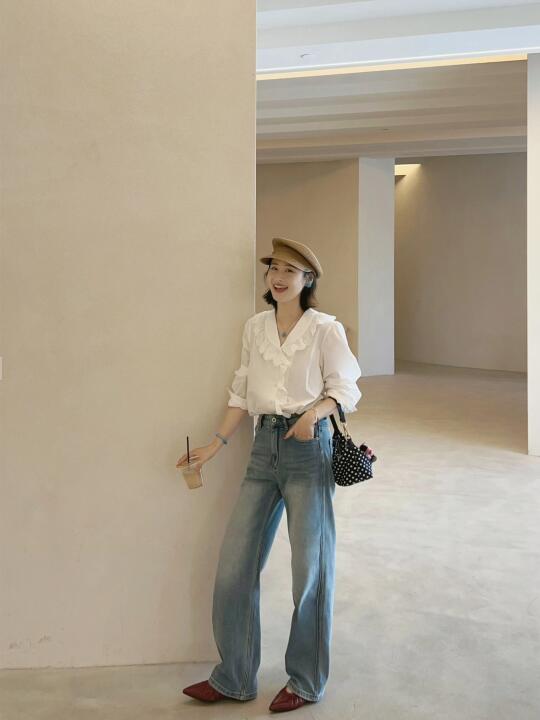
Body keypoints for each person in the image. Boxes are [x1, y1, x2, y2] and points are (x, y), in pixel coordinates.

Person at [177, 237, 365, 713]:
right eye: (274, 268)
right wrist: (214, 446)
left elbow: (346, 389)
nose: (278, 277)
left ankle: (305, 680)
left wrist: (313, 414)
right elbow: (242, 393)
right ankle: (235, 676)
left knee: (310, 573)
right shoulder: (255, 327)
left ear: (308, 279)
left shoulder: (325, 329)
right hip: (262, 451)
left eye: (290, 270)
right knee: (234, 569)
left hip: (308, 451)